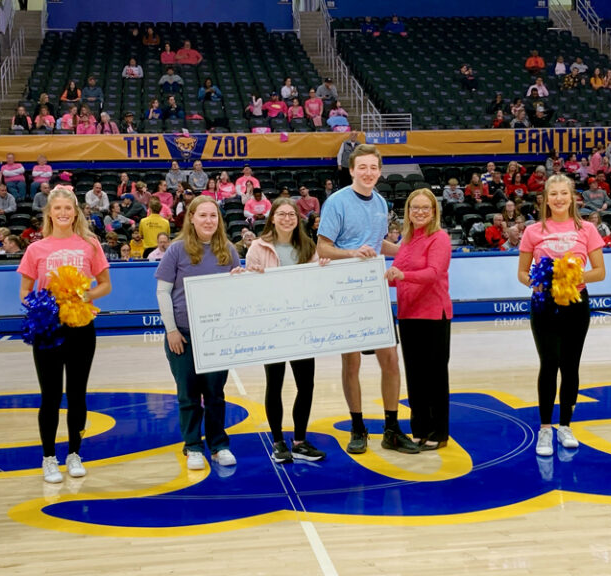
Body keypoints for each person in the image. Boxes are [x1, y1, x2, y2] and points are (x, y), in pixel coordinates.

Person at [317, 144, 419, 454]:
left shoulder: (380, 202)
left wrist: (409, 250)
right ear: (351, 170)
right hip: (347, 292)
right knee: (352, 362)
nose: (368, 172)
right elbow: (323, 248)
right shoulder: (336, 202)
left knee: (390, 360)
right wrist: (351, 252)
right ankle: (357, 426)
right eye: (362, 167)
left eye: (373, 167)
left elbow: (378, 245)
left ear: (379, 170)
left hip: (374, 292)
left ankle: (391, 427)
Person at [17, 186, 112, 483]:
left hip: (82, 327)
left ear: (75, 213)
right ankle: (48, 457)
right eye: (57, 209)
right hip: (48, 330)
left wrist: (84, 297)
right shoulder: (36, 249)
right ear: (49, 213)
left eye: (67, 209)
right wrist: (40, 307)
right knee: (50, 396)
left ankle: (74, 454)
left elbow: (105, 285)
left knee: (77, 394)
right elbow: (24, 292)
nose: (62, 213)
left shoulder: (90, 244)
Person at [517, 174, 605, 457]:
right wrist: (537, 281)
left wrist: (569, 275)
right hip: (544, 305)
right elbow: (521, 272)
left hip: (576, 303)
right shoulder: (532, 231)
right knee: (549, 363)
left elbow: (600, 272)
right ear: (545, 198)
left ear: (572, 197)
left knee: (570, 365)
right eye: (553, 194)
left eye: (563, 193)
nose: (558, 198)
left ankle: (565, 425)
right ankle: (545, 428)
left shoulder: (587, 229)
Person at [155, 196, 240, 470]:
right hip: (183, 335)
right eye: (202, 215)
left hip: (217, 337)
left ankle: (219, 445)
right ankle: (192, 446)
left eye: (213, 216)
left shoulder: (228, 250)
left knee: (215, 394)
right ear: (191, 217)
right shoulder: (176, 250)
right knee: (188, 395)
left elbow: (239, 292)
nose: (208, 221)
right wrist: (171, 331)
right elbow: (163, 292)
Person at [244, 198, 328, 463]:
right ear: (272, 218)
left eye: (292, 214)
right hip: (272, 328)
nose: (287, 218)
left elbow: (316, 284)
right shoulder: (258, 247)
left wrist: (323, 271)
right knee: (275, 383)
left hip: (302, 326)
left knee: (306, 385)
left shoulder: (307, 245)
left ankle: (300, 441)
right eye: (281, 214)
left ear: (297, 218)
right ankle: (278, 441)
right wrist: (251, 275)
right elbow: (247, 288)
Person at [384, 189, 452, 449]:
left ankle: (438, 432)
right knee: (414, 376)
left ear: (434, 211)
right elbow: (402, 276)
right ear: (408, 212)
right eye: (415, 207)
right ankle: (419, 428)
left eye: (426, 207)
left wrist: (401, 276)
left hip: (434, 314)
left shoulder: (440, 238)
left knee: (435, 376)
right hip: (408, 314)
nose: (420, 212)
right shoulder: (407, 240)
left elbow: (433, 273)